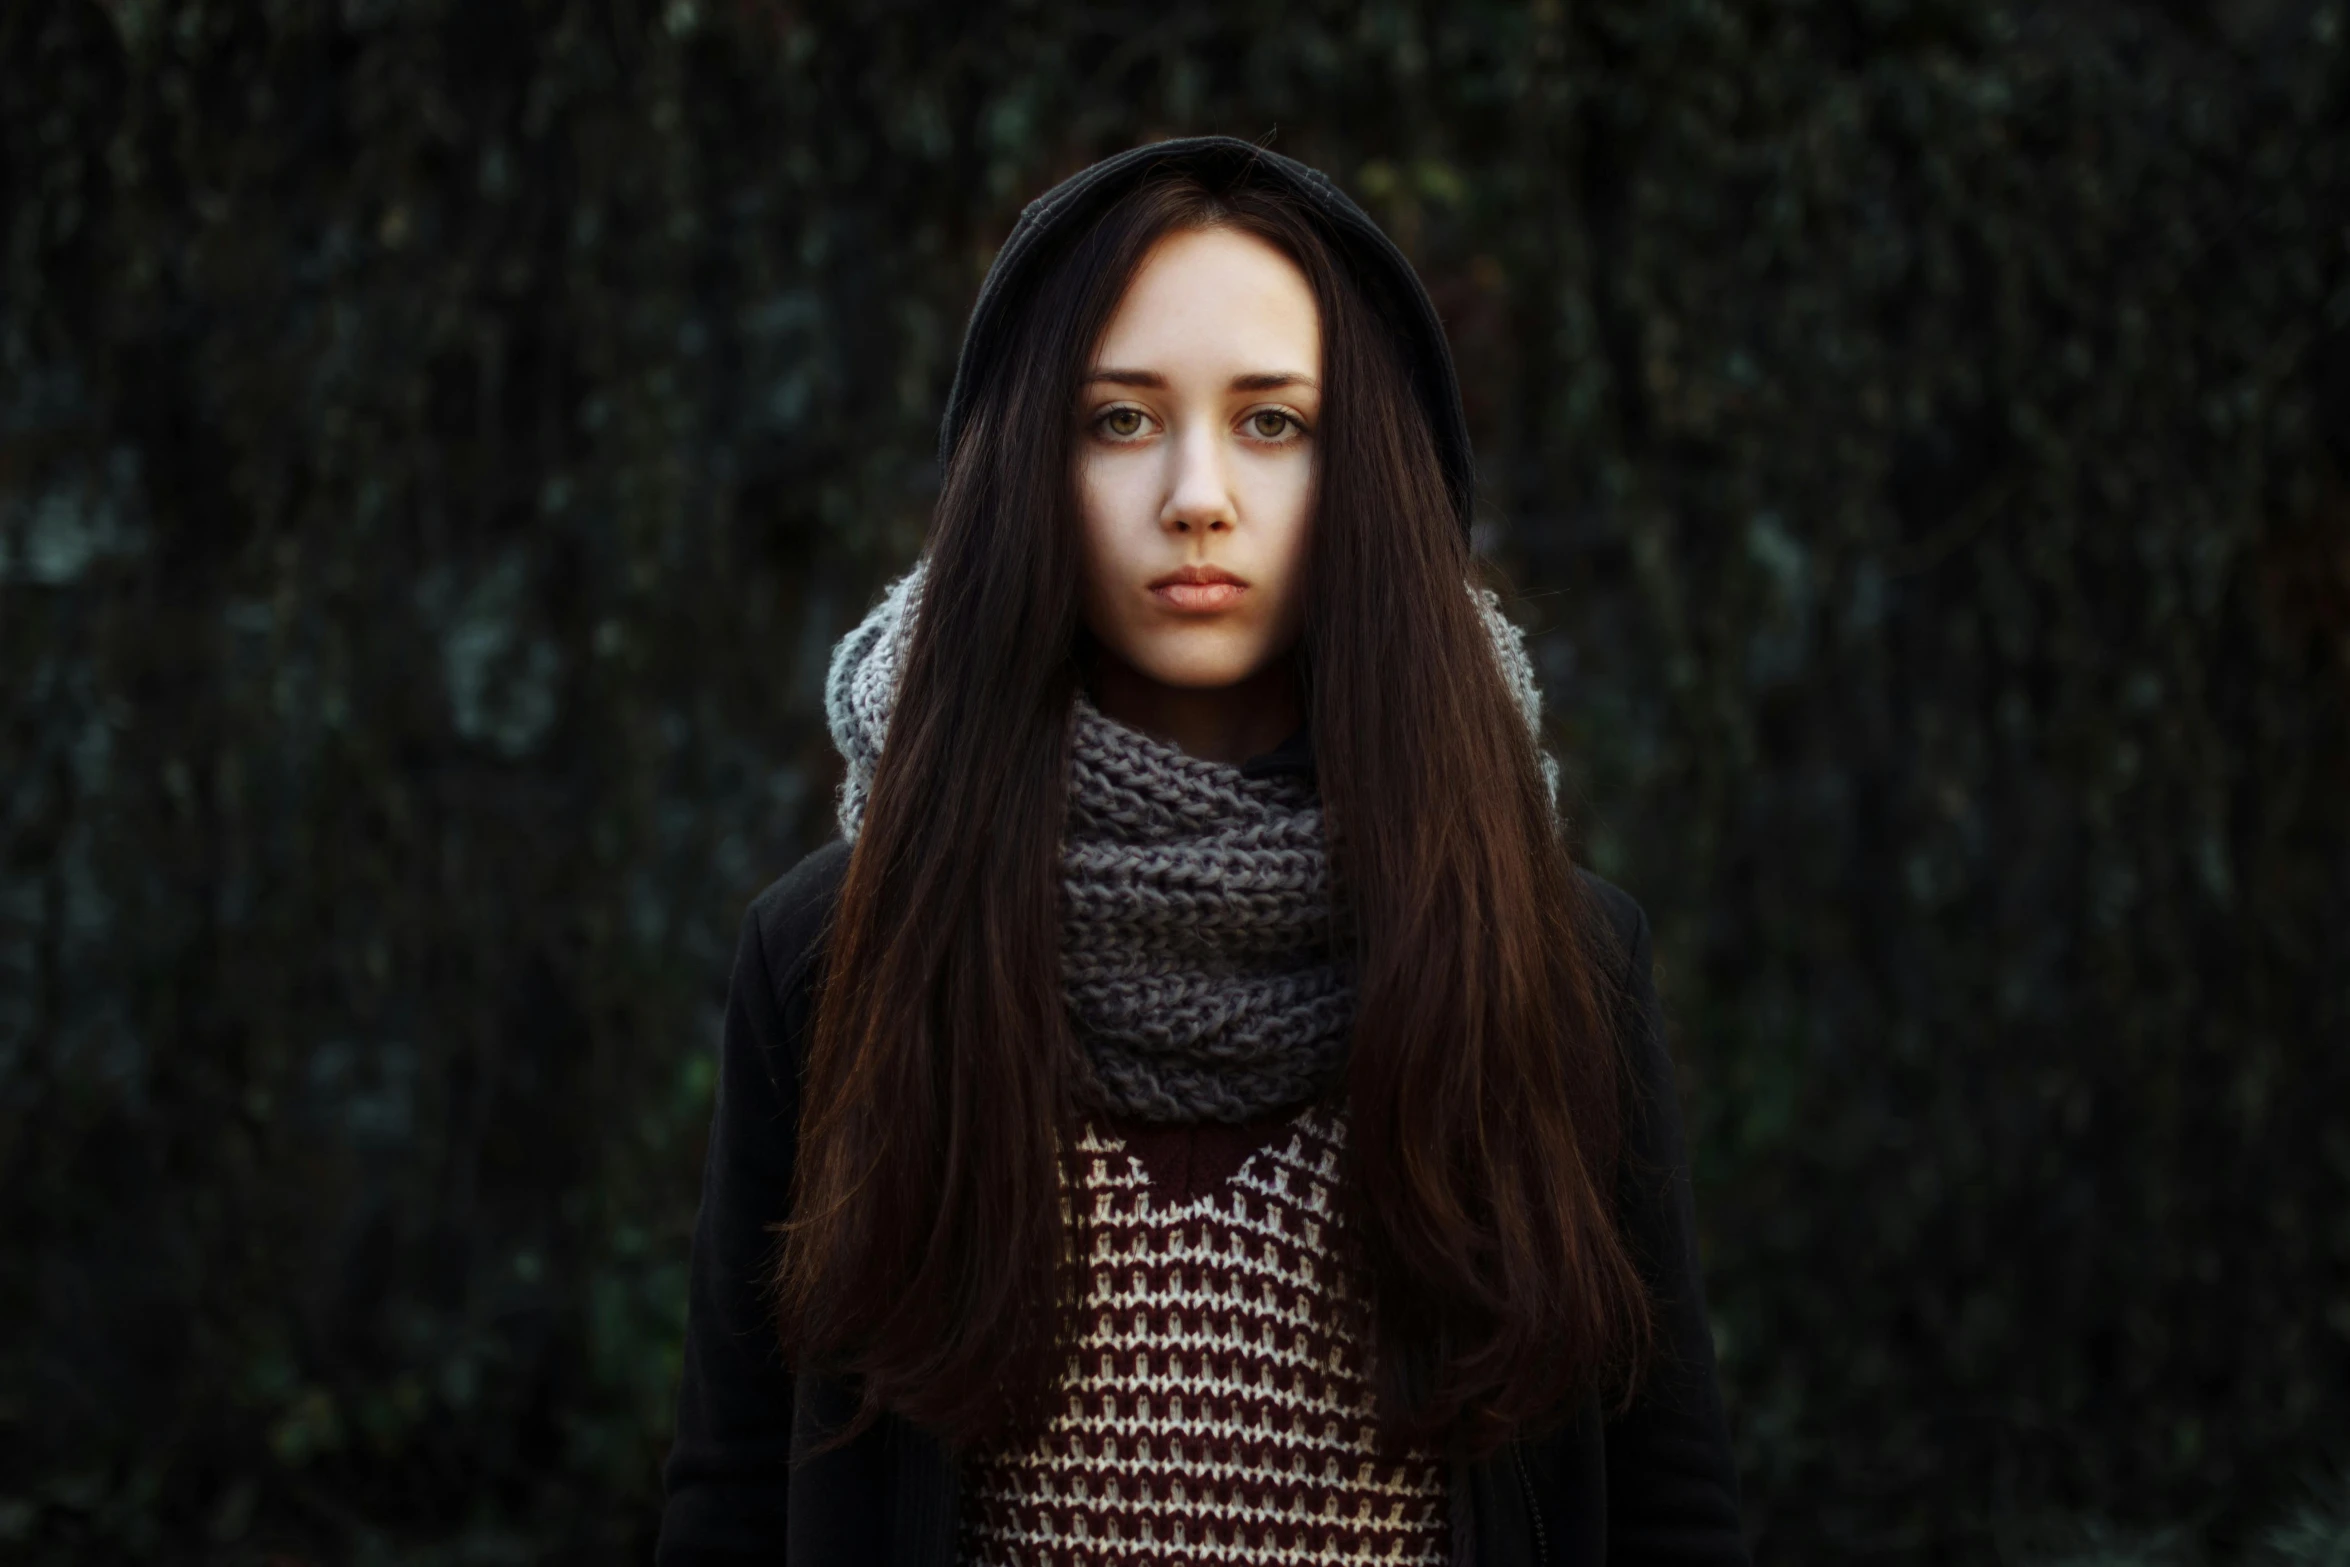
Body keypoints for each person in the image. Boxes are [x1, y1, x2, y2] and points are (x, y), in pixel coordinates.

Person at [657, 137, 1747, 1567]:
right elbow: (735, 1497)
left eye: (1274, 423)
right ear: (1020, 473)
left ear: (1370, 477)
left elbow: (1664, 1504)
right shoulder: (840, 952)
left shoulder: (1544, 956)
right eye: (1117, 419)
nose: (1196, 493)